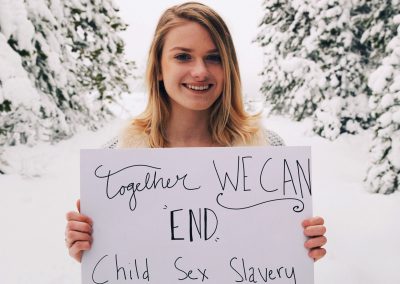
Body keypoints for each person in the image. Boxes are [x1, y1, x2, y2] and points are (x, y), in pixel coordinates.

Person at [65, 1, 327, 263]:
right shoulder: (117, 158)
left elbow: (275, 257)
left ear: (228, 68)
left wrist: (299, 247)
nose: (200, 71)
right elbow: (118, 263)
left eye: (214, 58)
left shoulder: (268, 150)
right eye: (183, 56)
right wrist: (88, 249)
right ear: (158, 68)